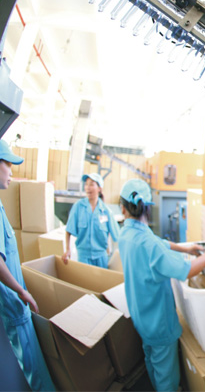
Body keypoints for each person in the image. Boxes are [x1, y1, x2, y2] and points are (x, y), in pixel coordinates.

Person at [118, 179, 205, 392]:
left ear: (123, 208)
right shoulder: (149, 245)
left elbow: (160, 243)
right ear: (148, 208)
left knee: (151, 360)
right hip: (159, 322)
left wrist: (186, 248)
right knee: (167, 377)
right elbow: (186, 270)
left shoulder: (126, 235)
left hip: (141, 317)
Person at [0, 140, 55, 391]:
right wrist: (21, 291)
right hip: (13, 303)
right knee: (35, 373)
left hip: (12, 302)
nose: (12, 172)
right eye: (8, 164)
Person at [63, 172, 120, 268]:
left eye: (91, 185)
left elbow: (117, 235)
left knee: (101, 278)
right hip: (83, 256)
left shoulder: (106, 211)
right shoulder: (78, 206)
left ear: (99, 188)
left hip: (101, 257)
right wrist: (67, 249)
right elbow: (69, 230)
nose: (87, 188)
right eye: (86, 184)